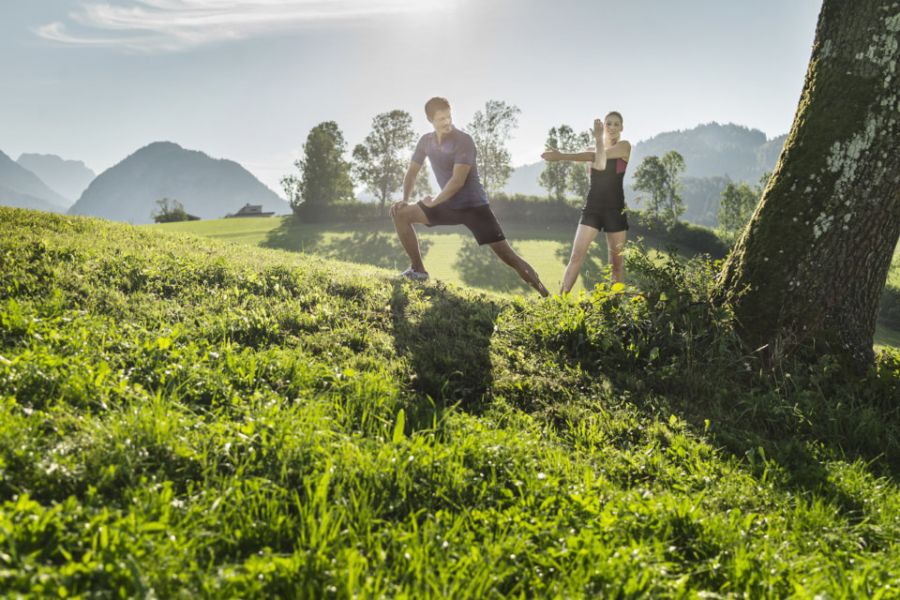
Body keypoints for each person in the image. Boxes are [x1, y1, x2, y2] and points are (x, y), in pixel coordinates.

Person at [390, 96, 549, 297]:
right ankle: (418, 271)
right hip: (447, 205)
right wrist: (405, 198)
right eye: (441, 119)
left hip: (475, 208)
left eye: (449, 116)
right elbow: (412, 172)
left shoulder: (463, 140)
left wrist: (434, 202)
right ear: (430, 120)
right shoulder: (426, 141)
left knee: (508, 256)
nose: (447, 122)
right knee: (400, 213)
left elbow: (457, 182)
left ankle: (547, 296)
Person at [542, 112, 631, 293]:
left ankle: (616, 309)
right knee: (575, 256)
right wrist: (560, 156)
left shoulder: (624, 147)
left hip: (615, 210)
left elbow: (600, 163)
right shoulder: (592, 149)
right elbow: (596, 158)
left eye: (616, 124)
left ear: (622, 128)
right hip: (593, 209)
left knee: (616, 264)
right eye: (608, 124)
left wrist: (597, 138)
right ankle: (559, 302)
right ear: (604, 126)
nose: (612, 128)